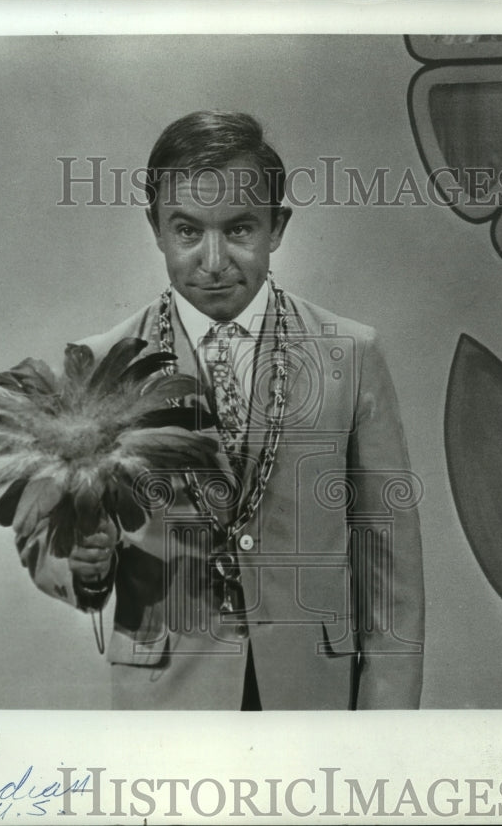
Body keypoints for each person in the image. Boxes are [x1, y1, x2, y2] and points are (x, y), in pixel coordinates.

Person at [22, 111, 424, 710]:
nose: (213, 260)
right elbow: (48, 539)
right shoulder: (101, 363)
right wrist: (81, 561)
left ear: (277, 226)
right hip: (164, 701)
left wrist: (383, 733)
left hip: (311, 697)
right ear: (155, 227)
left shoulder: (351, 355)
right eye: (187, 231)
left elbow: (390, 569)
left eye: (239, 229)